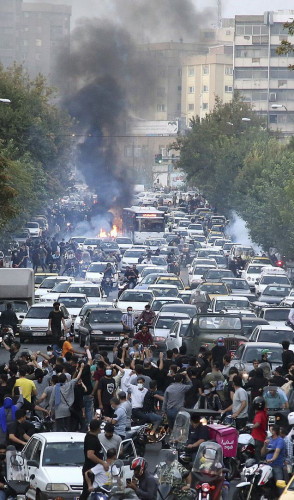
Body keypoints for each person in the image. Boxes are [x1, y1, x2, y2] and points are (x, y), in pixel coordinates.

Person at [80, 419, 108, 500]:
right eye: (99, 427)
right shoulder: (91, 440)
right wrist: (102, 462)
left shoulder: (91, 435)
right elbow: (90, 455)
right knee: (87, 492)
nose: (100, 428)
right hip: (91, 470)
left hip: (95, 470)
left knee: (97, 491)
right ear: (97, 428)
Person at [251, 397, 267, 463]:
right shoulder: (264, 412)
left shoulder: (259, 414)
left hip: (258, 438)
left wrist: (251, 427)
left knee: (258, 456)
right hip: (261, 437)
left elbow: (258, 423)